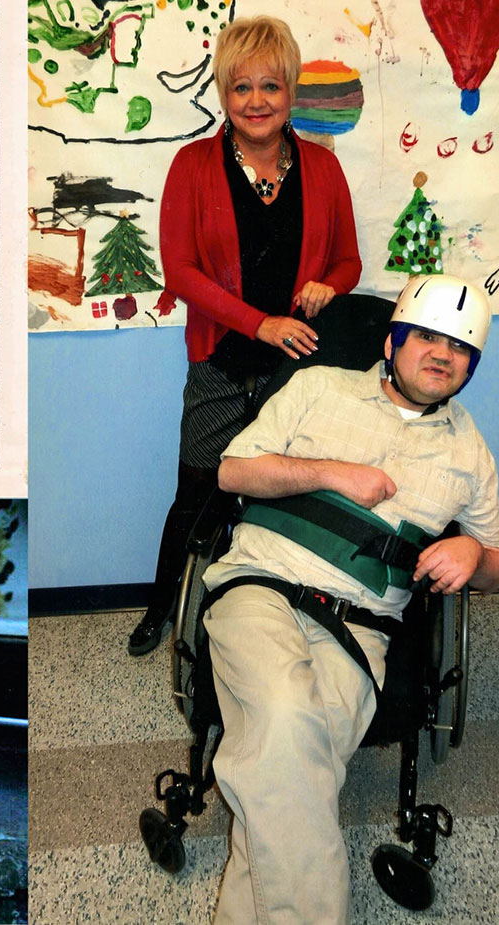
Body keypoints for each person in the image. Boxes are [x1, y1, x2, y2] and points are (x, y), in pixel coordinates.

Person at [200, 275, 499, 922]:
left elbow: (496, 566)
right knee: (285, 720)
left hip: (360, 627)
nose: (441, 354)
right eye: (426, 335)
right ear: (394, 338)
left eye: (459, 347)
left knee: (287, 773)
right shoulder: (317, 387)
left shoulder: (470, 452)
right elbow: (232, 468)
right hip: (261, 586)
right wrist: (331, 473)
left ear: (470, 364)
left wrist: (474, 555)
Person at [129, 15, 362, 655]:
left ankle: (273, 608)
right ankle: (160, 608)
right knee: (198, 490)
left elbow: (349, 261)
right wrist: (259, 322)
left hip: (300, 371)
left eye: (270, 86)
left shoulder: (323, 169)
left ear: (290, 93)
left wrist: (329, 288)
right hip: (221, 362)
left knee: (288, 486)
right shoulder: (191, 165)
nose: (256, 101)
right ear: (223, 95)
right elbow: (178, 271)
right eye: (241, 88)